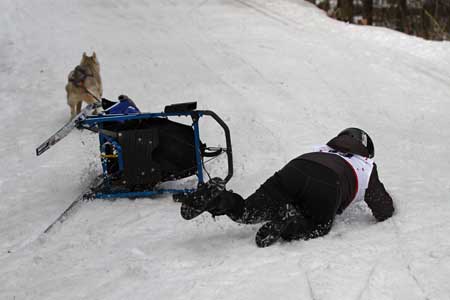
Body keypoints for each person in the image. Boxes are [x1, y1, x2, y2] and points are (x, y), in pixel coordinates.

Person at [179, 128, 394, 247]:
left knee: (247, 210)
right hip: (329, 185)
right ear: (366, 150)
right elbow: (383, 209)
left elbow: (307, 180)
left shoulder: (323, 149)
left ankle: (220, 199)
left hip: (296, 169)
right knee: (318, 226)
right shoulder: (366, 166)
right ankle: (288, 225)